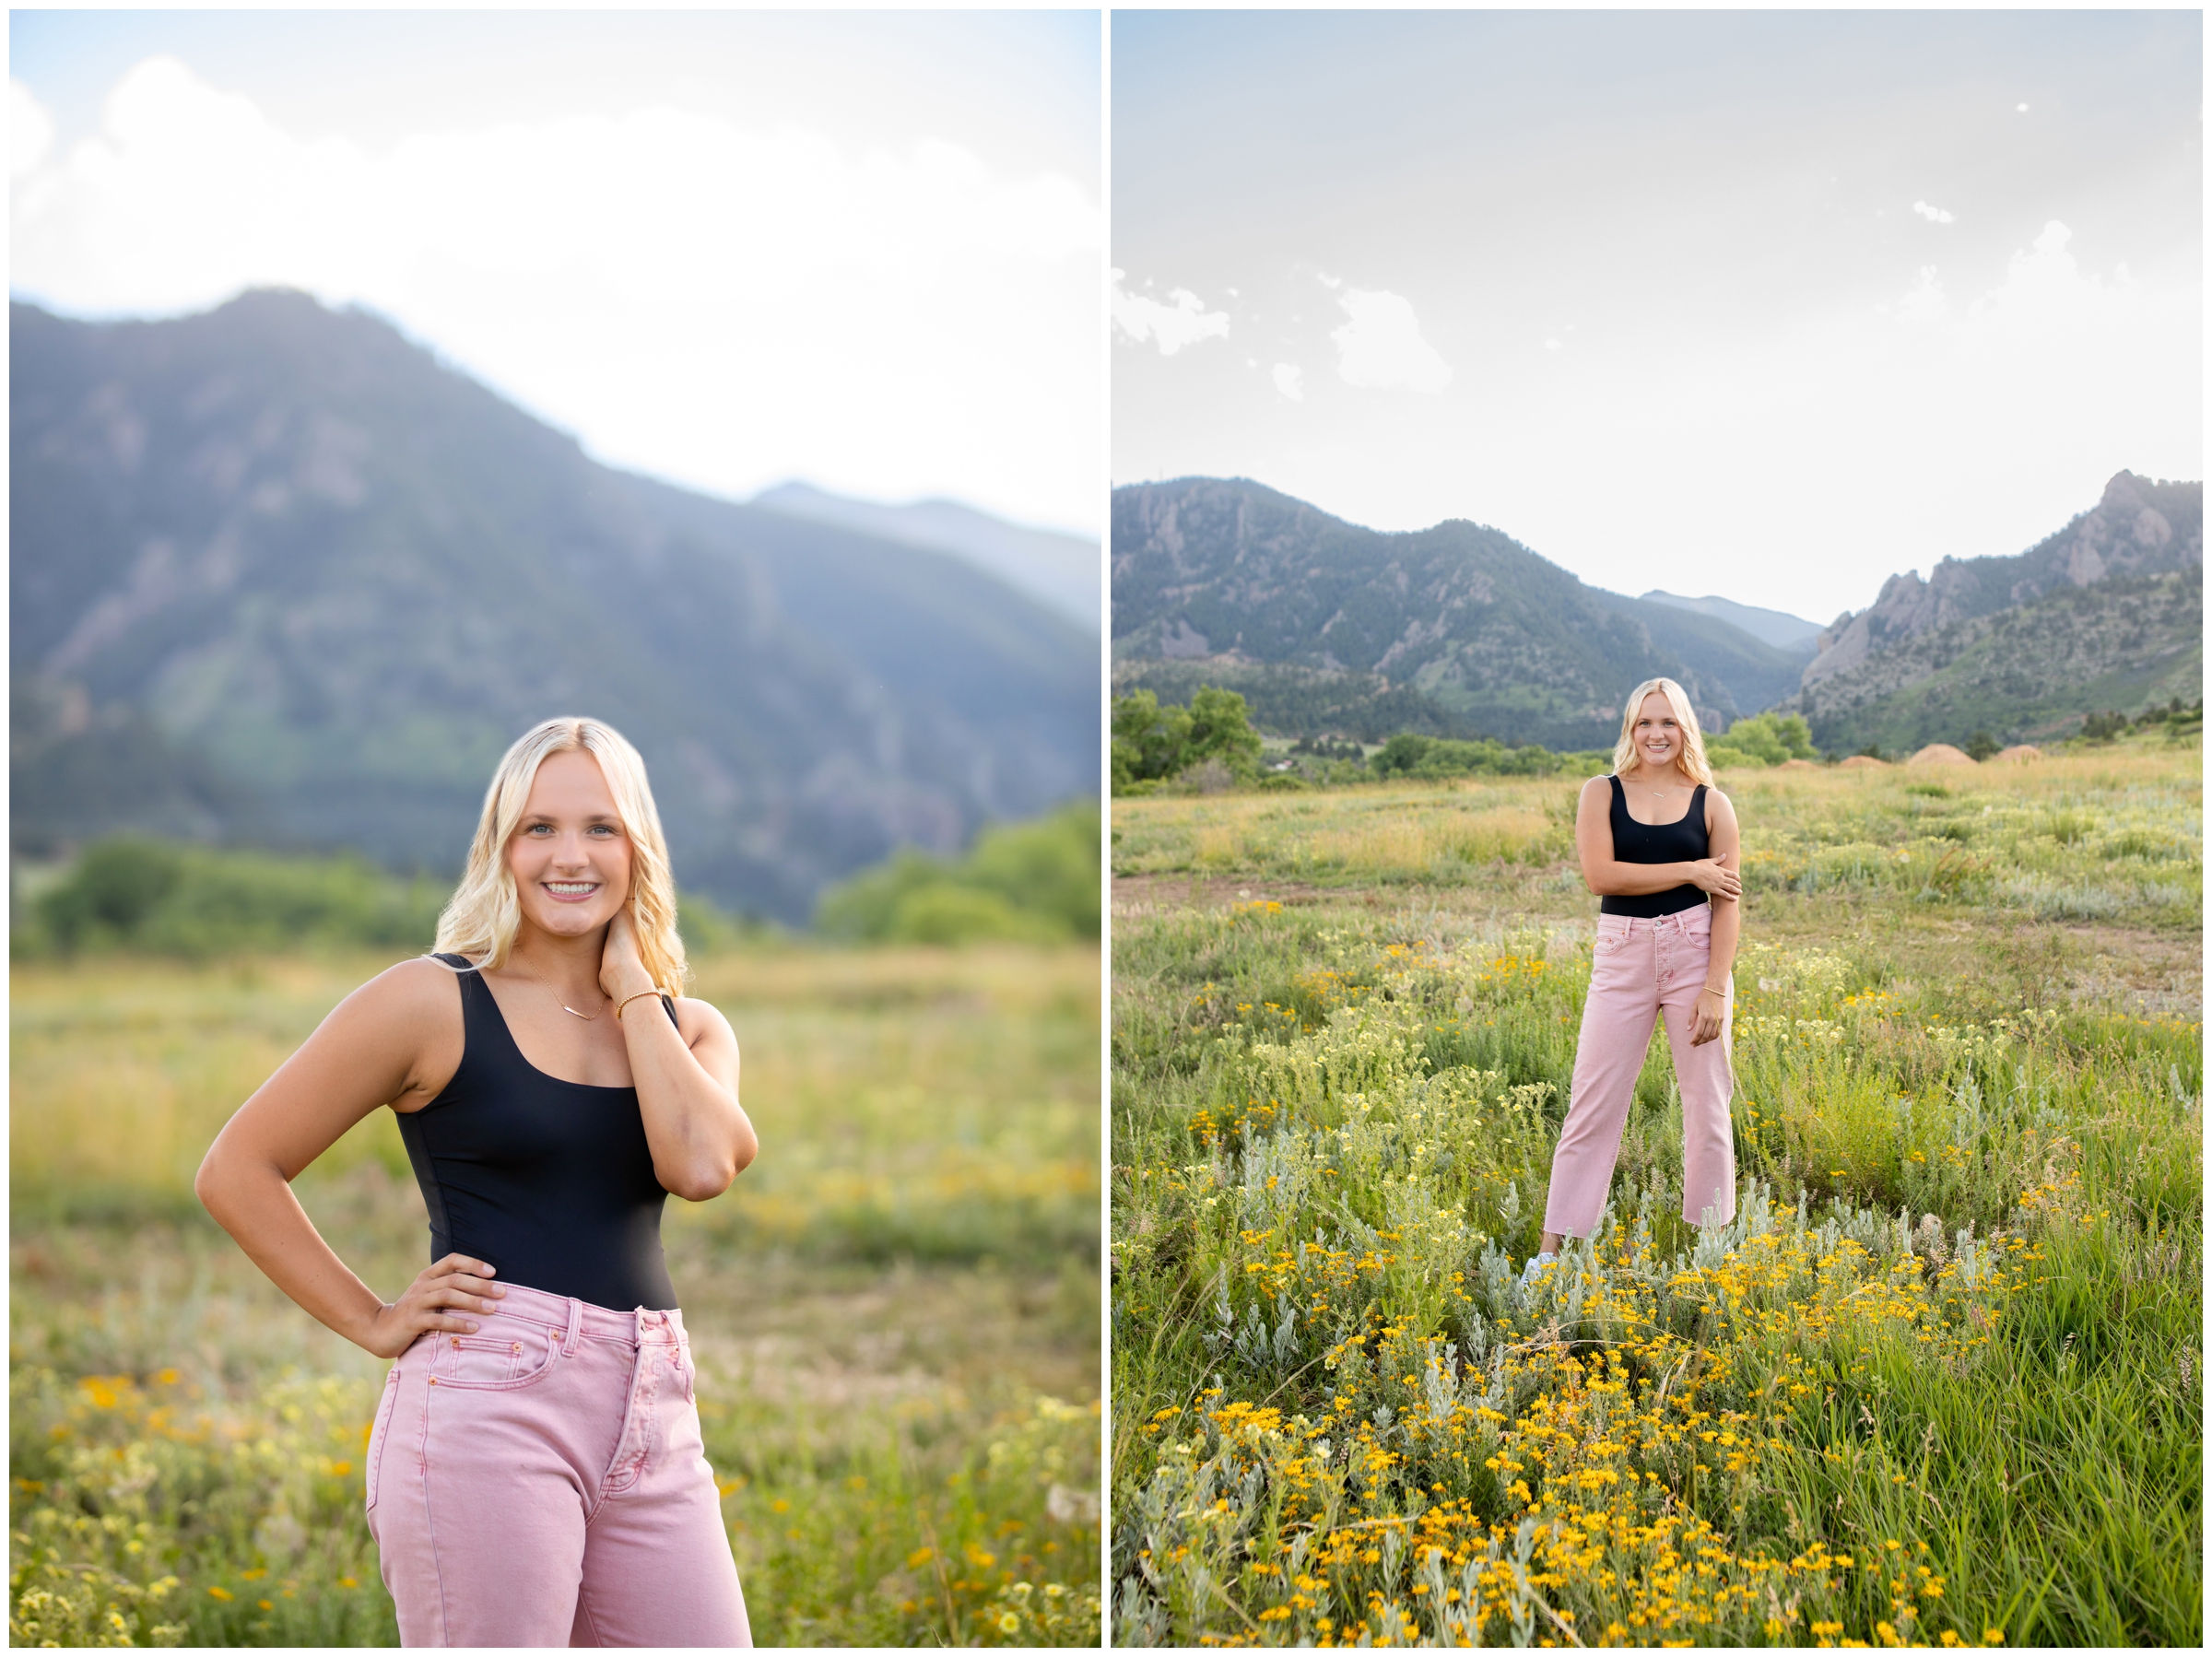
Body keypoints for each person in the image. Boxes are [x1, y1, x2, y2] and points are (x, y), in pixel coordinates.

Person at [195, 717, 759, 1646]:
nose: (568, 855)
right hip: (491, 1402)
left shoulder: (689, 1029)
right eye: (538, 827)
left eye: (600, 828)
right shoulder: (429, 1000)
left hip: (654, 1407)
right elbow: (237, 1169)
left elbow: (699, 1166)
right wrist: (372, 1318)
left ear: (639, 848)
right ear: (499, 846)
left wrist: (633, 991)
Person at [1524, 678, 1742, 1283]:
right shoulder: (1602, 793)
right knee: (1592, 1104)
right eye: (1646, 723)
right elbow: (1601, 875)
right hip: (1621, 958)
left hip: (1695, 956)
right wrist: (1690, 868)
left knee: (1707, 1104)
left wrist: (1716, 987)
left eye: (1668, 723)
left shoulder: (1712, 804)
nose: (1656, 734)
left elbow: (1727, 903)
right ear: (1630, 729)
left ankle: (1709, 1256)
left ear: (1686, 730)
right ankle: (1549, 1258)